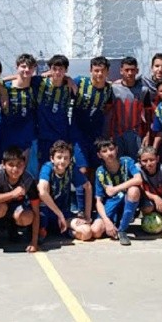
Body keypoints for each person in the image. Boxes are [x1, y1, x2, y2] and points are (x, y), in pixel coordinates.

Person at [70, 56, 114, 216]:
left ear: (107, 72)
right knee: (82, 169)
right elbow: (64, 80)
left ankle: (94, 205)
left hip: (96, 135)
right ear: (90, 70)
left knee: (95, 171)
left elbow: (107, 108)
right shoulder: (80, 82)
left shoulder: (108, 89)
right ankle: (80, 207)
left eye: (102, 71)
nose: (99, 74)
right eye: (96, 70)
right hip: (78, 134)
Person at [0, 147, 40, 252]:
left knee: (28, 216)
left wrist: (34, 242)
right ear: (3, 164)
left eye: (19, 165)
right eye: (11, 165)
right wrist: (12, 194)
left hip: (16, 209)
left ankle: (13, 229)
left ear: (24, 164)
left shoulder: (28, 180)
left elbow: (36, 211)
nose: (15, 169)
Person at [37, 140, 94, 246]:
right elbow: (42, 192)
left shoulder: (71, 168)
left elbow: (88, 186)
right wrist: (59, 214)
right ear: (52, 158)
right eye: (59, 157)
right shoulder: (47, 167)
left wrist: (87, 216)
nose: (62, 161)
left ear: (70, 159)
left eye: (66, 158)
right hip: (46, 212)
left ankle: (66, 231)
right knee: (43, 187)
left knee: (87, 232)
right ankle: (42, 228)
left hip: (64, 214)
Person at [91, 138, 143, 246]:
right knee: (96, 231)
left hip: (126, 199)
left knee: (134, 190)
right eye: (104, 151)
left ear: (117, 149)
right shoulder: (100, 171)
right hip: (111, 203)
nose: (109, 153)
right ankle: (113, 224)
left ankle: (122, 230)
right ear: (99, 155)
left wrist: (115, 189)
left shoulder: (127, 161)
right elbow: (98, 201)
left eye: (111, 149)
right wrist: (106, 221)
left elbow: (138, 179)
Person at [33, 55, 80, 171]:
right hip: (43, 133)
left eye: (61, 69)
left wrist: (68, 79)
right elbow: (20, 77)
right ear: (49, 69)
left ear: (66, 70)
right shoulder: (39, 82)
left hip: (62, 133)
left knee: (61, 166)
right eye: (54, 69)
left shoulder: (70, 86)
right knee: (44, 166)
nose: (58, 72)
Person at [107, 56, 152, 159]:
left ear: (137, 71)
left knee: (136, 163)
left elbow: (148, 115)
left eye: (132, 70)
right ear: (121, 71)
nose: (130, 73)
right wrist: (108, 135)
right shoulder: (113, 89)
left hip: (136, 134)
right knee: (118, 162)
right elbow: (107, 112)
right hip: (117, 134)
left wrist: (147, 134)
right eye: (127, 70)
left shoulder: (144, 90)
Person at [0, 54, 38, 159]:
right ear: (17, 67)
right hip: (7, 134)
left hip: (26, 135)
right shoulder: (4, 88)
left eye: (30, 67)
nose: (27, 69)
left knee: (23, 165)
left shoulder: (36, 86)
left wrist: (69, 80)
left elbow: (51, 74)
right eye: (23, 66)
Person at [141, 53, 162, 147]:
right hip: (147, 123)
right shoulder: (143, 81)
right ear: (152, 67)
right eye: (157, 66)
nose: (160, 70)